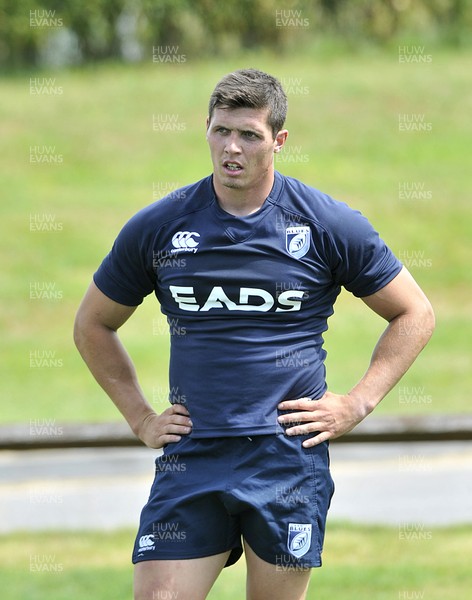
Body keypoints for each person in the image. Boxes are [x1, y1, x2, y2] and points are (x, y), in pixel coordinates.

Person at [74, 68, 435, 600]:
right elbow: (92, 324)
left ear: (279, 141)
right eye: (221, 131)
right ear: (206, 129)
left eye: (249, 134)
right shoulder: (162, 225)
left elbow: (415, 313)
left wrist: (357, 404)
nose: (231, 148)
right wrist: (140, 417)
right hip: (192, 456)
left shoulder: (325, 224)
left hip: (286, 459)